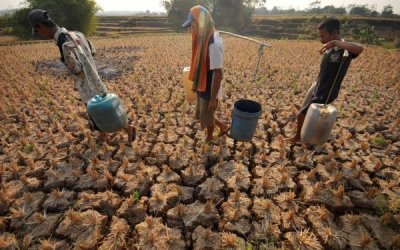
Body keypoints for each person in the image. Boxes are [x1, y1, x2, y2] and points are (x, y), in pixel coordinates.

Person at [27, 9, 135, 143]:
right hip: (95, 77)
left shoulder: (62, 41)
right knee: (106, 106)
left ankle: (113, 132)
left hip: (86, 83)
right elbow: (92, 51)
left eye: (39, 31)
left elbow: (76, 69)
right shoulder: (77, 33)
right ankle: (115, 130)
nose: (41, 34)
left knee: (96, 110)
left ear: (41, 26)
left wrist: (66, 59)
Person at [288, 17, 364, 144]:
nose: (321, 39)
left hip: (327, 90)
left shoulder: (344, 50)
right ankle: (305, 136)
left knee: (301, 115)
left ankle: (300, 138)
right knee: (306, 112)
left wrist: (335, 43)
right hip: (318, 86)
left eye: (323, 36)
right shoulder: (330, 49)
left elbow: (360, 48)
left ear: (334, 33)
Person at [182, 5, 229, 144]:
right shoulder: (203, 38)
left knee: (207, 114)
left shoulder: (213, 43)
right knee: (204, 113)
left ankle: (209, 137)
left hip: (210, 86)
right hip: (203, 83)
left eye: (192, 25)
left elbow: (218, 72)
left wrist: (213, 98)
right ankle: (223, 126)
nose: (190, 29)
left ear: (201, 23)